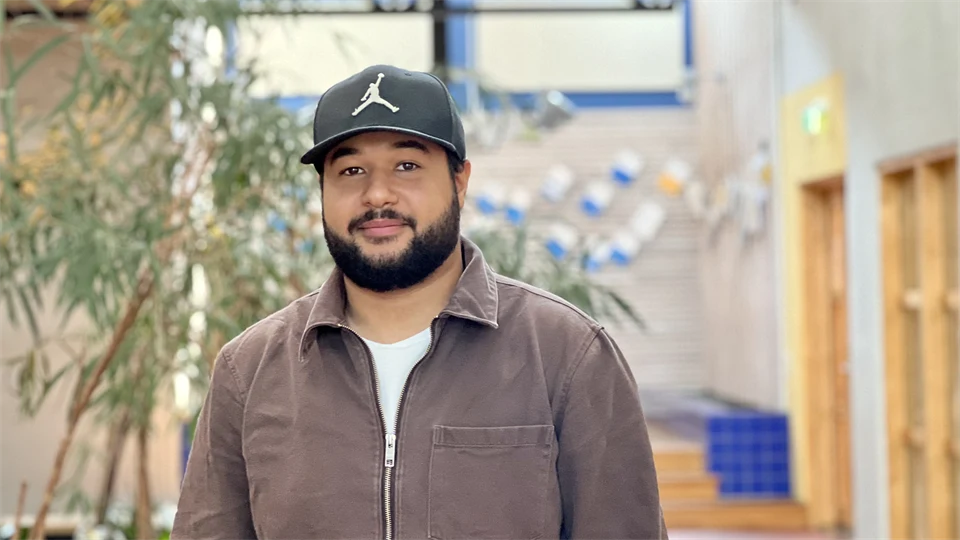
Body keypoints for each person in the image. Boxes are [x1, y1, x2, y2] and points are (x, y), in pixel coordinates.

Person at [171, 64, 668, 540]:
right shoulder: (250, 371)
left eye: (407, 165)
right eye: (351, 170)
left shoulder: (567, 356)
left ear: (460, 181)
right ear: (322, 190)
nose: (377, 193)